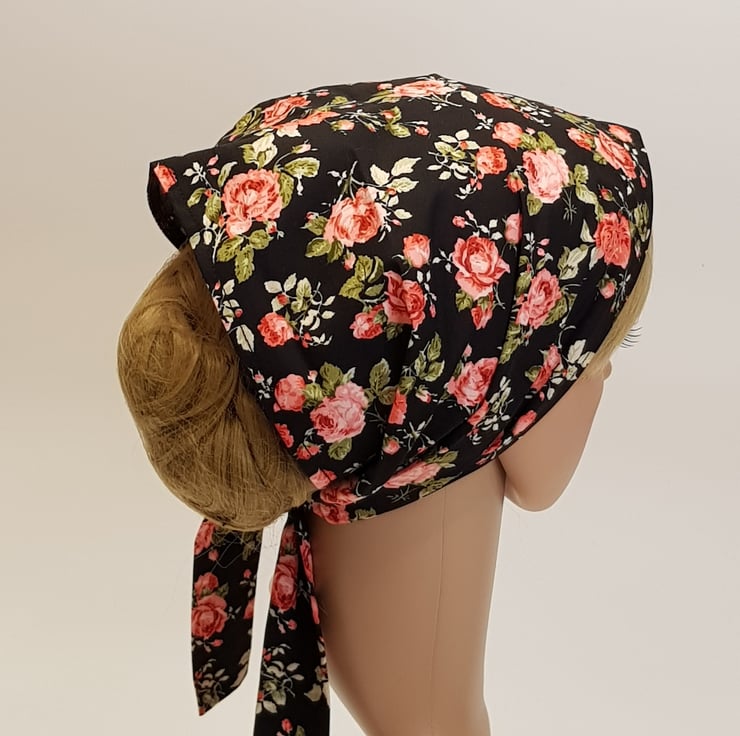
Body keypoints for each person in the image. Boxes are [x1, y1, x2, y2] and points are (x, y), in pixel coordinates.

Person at [117, 73, 653, 736]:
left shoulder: (357, 461)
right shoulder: (432, 715)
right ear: (463, 388)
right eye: (591, 353)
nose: (603, 375)